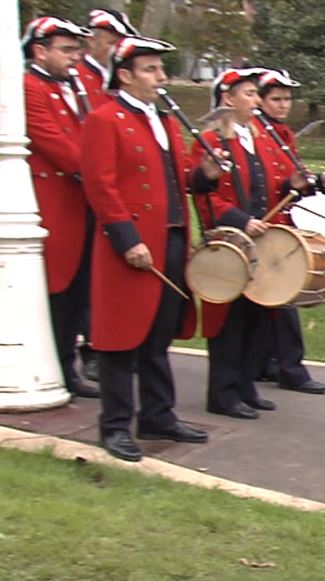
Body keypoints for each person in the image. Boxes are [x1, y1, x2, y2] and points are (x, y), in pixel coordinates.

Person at [80, 35, 218, 461]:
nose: (161, 77)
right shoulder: (105, 118)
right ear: (125, 75)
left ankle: (158, 415)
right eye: (151, 70)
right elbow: (100, 187)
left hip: (171, 237)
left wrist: (206, 175)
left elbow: (177, 180)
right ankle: (115, 425)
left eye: (160, 69)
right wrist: (127, 240)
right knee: (121, 338)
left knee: (159, 335)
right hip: (132, 245)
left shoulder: (165, 121)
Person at [191, 68, 311, 419]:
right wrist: (241, 220)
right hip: (230, 242)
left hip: (261, 241)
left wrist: (297, 184)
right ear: (228, 99)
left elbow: (272, 186)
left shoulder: (259, 138)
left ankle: (245, 386)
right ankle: (223, 393)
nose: (256, 100)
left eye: (256, 94)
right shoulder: (212, 141)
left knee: (258, 316)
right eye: (248, 94)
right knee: (229, 321)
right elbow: (203, 196)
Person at [21, 16, 100, 400]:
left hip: (83, 202)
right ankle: (55, 367)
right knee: (56, 290)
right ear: (40, 50)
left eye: (76, 49)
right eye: (66, 49)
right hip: (55, 204)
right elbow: (53, 141)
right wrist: (99, 172)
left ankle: (68, 366)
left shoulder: (77, 86)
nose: (76, 57)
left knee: (77, 291)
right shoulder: (28, 86)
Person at [252, 68, 325, 394]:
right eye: (276, 99)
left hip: (284, 223)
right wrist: (292, 184)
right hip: (265, 225)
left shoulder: (282, 133)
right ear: (261, 100)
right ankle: (290, 367)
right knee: (281, 300)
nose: (283, 104)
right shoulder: (258, 132)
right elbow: (272, 181)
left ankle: (269, 363)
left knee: (276, 300)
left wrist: (317, 181)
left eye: (287, 99)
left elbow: (293, 179)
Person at [77, 7, 138, 100]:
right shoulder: (75, 75)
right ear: (91, 41)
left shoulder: (126, 78)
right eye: (112, 43)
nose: (118, 50)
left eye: (121, 45)